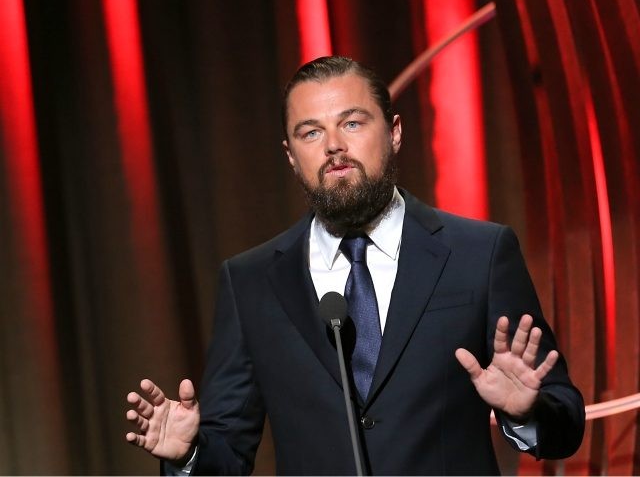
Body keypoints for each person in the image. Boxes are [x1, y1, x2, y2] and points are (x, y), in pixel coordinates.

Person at [125, 56, 585, 475]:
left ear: (395, 131)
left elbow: (565, 420)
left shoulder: (479, 253)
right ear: (291, 156)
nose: (333, 146)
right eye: (310, 132)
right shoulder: (251, 282)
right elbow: (228, 452)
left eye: (352, 123)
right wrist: (189, 454)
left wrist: (525, 412)